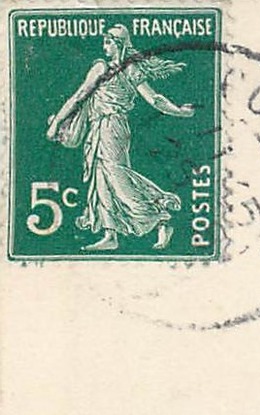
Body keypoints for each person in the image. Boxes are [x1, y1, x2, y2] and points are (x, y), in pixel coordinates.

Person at [44, 24, 195, 251]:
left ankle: (160, 217)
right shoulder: (102, 68)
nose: (105, 47)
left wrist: (179, 111)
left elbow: (154, 99)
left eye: (109, 42)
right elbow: (79, 97)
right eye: (104, 42)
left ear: (120, 44)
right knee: (102, 179)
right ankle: (110, 234)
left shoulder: (128, 70)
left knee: (116, 176)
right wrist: (57, 123)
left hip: (114, 127)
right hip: (97, 127)